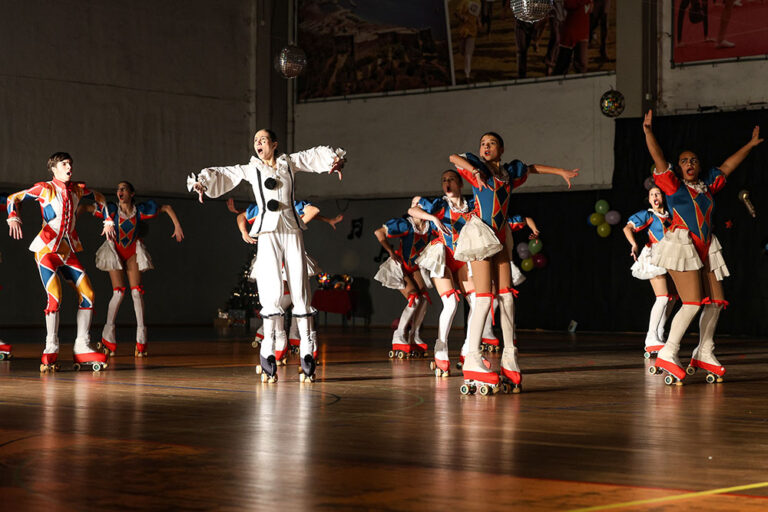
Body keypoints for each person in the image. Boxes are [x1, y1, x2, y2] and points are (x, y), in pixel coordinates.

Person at [188, 129, 345, 383]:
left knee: (299, 284)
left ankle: (307, 348)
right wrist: (202, 182)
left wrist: (332, 160)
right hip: (268, 231)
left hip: (292, 229)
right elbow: (227, 174)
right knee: (270, 285)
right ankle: (268, 349)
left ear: (274, 144)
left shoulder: (288, 163)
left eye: (263, 139)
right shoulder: (251, 169)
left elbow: (311, 156)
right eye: (255, 141)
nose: (258, 143)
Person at [450, 132, 578, 394]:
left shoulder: (509, 173)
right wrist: (474, 169)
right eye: (483, 144)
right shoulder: (478, 168)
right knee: (484, 298)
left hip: (500, 235)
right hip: (481, 235)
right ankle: (472, 357)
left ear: (502, 149)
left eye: (491, 143)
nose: (486, 147)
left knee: (506, 297)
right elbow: (454, 158)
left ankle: (510, 356)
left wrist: (560, 172)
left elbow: (532, 168)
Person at [643, 110, 762, 384]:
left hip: (705, 248)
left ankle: (704, 350)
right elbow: (659, 159)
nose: (689, 164)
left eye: (693, 160)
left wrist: (750, 145)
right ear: (679, 166)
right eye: (684, 161)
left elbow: (729, 166)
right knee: (693, 303)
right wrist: (649, 132)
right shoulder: (673, 186)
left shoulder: (707, 186)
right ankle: (668, 352)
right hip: (682, 248)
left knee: (716, 302)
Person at [6, 152, 115, 372]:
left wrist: (108, 219)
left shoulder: (77, 189)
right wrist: (12, 215)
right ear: (54, 168)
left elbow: (100, 197)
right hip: (46, 249)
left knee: (89, 294)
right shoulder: (44, 188)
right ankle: (50, 346)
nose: (69, 167)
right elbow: (13, 198)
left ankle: (82, 345)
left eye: (70, 163)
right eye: (64, 163)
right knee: (55, 296)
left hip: (68, 251)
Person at [79, 181, 184, 357]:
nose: (119, 191)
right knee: (119, 292)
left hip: (132, 251)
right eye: (118, 189)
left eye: (123, 189)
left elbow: (166, 207)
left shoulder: (141, 211)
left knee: (136, 293)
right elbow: (85, 207)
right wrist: (72, 224)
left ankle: (141, 341)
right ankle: (108, 339)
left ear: (131, 193)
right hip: (114, 250)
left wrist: (177, 225)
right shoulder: (111, 210)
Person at [234, 199, 341, 361]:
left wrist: (292, 229)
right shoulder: (263, 205)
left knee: (299, 297)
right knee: (275, 296)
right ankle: (282, 337)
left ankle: (302, 339)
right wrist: (243, 232)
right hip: (272, 255)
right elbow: (241, 216)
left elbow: (312, 211)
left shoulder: (288, 202)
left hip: (290, 253)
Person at [408, 170, 474, 376]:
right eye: (444, 180)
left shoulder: (471, 205)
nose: (447, 182)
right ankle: (441, 348)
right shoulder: (439, 204)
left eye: (451, 179)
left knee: (477, 301)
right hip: (442, 255)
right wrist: (432, 219)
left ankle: (468, 348)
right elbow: (412, 210)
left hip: (462, 257)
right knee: (451, 302)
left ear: (460, 183)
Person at [622, 186, 678, 359]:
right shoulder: (648, 215)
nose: (655, 196)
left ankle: (660, 333)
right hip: (655, 256)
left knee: (673, 297)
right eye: (652, 194)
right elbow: (627, 228)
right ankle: (650, 337)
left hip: (672, 256)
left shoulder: (671, 216)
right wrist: (634, 244)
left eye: (658, 193)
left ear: (663, 196)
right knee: (662, 297)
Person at [374, 202, 432, 358]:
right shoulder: (405, 224)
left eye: (421, 203)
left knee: (424, 299)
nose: (417, 206)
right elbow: (379, 232)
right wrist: (390, 250)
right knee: (415, 298)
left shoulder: (430, 225)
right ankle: (399, 335)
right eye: (414, 204)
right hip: (401, 266)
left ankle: (414, 335)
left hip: (416, 267)